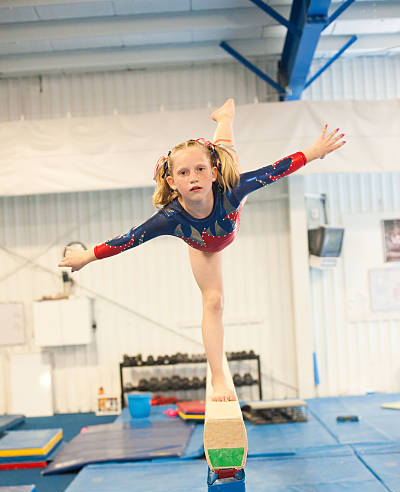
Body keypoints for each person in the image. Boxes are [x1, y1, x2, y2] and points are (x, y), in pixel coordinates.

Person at [58, 99, 345, 402]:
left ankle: (225, 119)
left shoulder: (231, 186)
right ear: (171, 181)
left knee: (232, 159)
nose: (193, 177)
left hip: (228, 210)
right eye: (183, 173)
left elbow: (275, 170)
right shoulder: (170, 217)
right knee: (214, 302)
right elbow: (129, 238)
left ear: (211, 173)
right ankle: (219, 376)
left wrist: (315, 152)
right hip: (203, 247)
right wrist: (87, 255)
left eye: (200, 169)